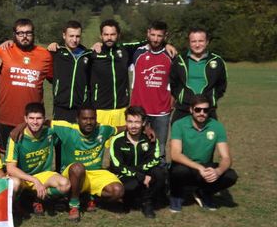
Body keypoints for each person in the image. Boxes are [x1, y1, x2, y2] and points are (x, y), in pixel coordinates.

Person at [51, 105, 125, 222]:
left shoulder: (103, 129)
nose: (89, 122)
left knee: (118, 191)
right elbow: (41, 122)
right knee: (78, 167)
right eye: (85, 119)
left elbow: (121, 128)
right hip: (72, 173)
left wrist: (143, 127)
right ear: (77, 119)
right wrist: (21, 127)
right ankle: (74, 205)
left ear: (96, 119)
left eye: (92, 118)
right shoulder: (67, 129)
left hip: (95, 174)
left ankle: (91, 198)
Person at [169, 95, 238, 211]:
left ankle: (204, 192)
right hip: (186, 166)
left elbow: (226, 158)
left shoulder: (217, 126)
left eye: (205, 110)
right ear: (191, 110)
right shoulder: (179, 124)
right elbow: (175, 154)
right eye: (198, 109)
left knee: (231, 176)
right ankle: (177, 195)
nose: (202, 113)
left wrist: (218, 171)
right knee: (178, 171)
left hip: (206, 167)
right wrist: (199, 167)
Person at [0, 18, 53, 152]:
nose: (24, 36)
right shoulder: (3, 50)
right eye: (20, 33)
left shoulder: (45, 55)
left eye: (28, 33)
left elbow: (55, 79)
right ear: (14, 34)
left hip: (33, 119)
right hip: (7, 117)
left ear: (33, 34)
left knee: (31, 157)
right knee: (6, 157)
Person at [5, 103, 70, 216]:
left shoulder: (50, 132)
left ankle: (37, 197)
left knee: (65, 184)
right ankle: (15, 207)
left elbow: (70, 127)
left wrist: (39, 182)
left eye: (39, 118)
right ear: (25, 119)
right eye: (31, 118)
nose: (35, 122)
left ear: (44, 119)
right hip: (22, 177)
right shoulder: (16, 137)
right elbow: (10, 168)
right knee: (13, 184)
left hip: (43, 175)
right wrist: (34, 180)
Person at [108, 106, 165, 218]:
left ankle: (147, 203)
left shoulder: (151, 139)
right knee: (131, 185)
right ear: (126, 122)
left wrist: (142, 174)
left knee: (160, 174)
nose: (133, 126)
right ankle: (128, 199)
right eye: (130, 121)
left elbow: (155, 159)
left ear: (143, 123)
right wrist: (140, 176)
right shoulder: (117, 140)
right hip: (126, 176)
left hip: (144, 173)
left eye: (137, 122)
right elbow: (117, 166)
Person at [129, 21, 173, 159]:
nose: (155, 39)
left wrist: (170, 104)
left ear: (165, 36)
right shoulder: (137, 52)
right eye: (152, 34)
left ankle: (161, 178)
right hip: (139, 111)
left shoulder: (171, 55)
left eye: (159, 36)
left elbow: (176, 84)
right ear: (147, 33)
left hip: (161, 112)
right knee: (138, 148)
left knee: (159, 150)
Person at [170, 27, 227, 123]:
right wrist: (182, 97)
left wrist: (211, 98)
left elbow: (221, 85)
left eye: (201, 41)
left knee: (209, 137)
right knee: (178, 137)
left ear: (207, 42)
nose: (197, 45)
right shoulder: (180, 60)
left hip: (207, 110)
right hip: (183, 108)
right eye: (193, 41)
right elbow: (173, 83)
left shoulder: (217, 61)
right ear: (189, 42)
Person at [87, 19, 134, 128]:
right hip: (100, 110)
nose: (109, 37)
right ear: (101, 36)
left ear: (118, 35)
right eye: (106, 34)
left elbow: (147, 42)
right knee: (101, 144)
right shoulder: (93, 54)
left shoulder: (125, 51)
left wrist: (166, 45)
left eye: (112, 34)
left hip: (121, 110)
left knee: (119, 143)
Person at [49, 20, 90, 123]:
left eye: (77, 36)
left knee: (78, 139)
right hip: (60, 108)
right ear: (64, 35)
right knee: (60, 138)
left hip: (81, 109)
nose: (74, 40)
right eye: (71, 36)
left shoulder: (88, 55)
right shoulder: (56, 53)